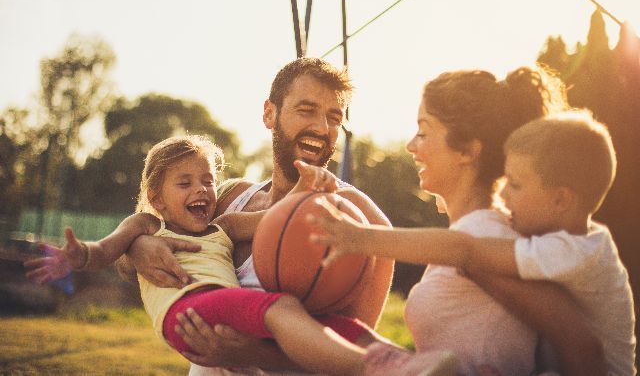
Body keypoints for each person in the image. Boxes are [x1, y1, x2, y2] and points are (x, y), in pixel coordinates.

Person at [24, 134, 456, 376]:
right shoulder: (145, 226)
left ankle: (411, 364)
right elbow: (105, 251)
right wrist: (77, 256)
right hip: (188, 314)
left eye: (207, 181)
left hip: (226, 312)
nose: (201, 191)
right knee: (282, 307)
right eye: (185, 183)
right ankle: (377, 369)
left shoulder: (224, 227)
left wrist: (314, 185)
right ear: (156, 195)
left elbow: (278, 217)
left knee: (337, 324)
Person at [288, 67, 607, 376]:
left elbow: (580, 346)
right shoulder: (476, 234)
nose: (411, 146)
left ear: (467, 151)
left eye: (424, 131)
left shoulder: (483, 242)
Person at [113, 58, 397, 375]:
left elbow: (353, 357)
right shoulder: (230, 198)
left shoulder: (361, 218)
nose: (322, 127)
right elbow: (126, 263)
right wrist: (138, 248)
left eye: (334, 117)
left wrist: (252, 353)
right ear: (269, 113)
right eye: (306, 110)